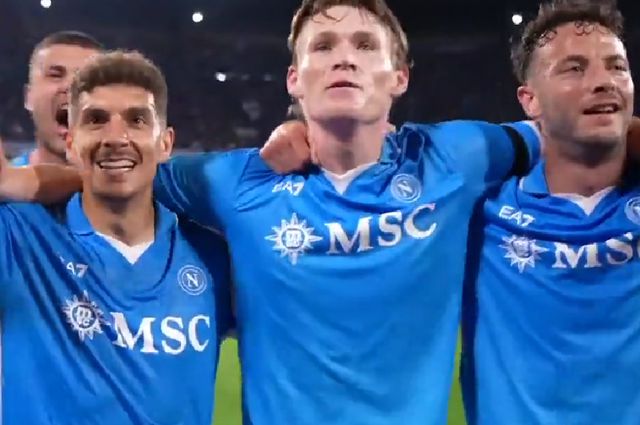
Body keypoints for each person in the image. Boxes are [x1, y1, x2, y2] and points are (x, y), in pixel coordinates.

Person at [151, 1, 541, 424]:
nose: (344, 58)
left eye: (365, 45)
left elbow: (562, 131)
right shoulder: (239, 180)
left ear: (399, 77)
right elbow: (120, 176)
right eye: (323, 46)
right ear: (294, 80)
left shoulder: (454, 157)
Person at [0, 50, 232, 424]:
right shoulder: (18, 236)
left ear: (166, 143)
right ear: (71, 143)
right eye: (96, 120)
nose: (115, 137)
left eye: (137, 120)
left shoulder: (214, 258)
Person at [460, 1, 640, 424]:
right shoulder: (476, 216)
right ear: (530, 100)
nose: (603, 82)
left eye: (617, 67)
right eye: (574, 69)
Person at [13, 31, 104, 166]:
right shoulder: (5, 178)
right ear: (29, 97)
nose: (70, 86)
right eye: (55, 75)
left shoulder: (133, 179)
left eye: (86, 78)